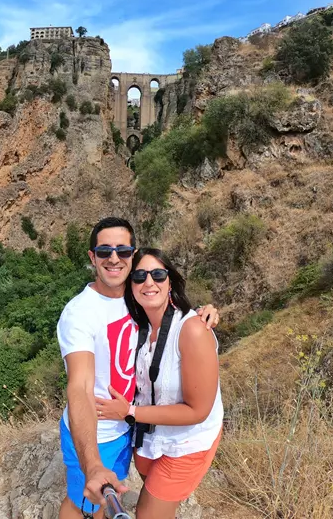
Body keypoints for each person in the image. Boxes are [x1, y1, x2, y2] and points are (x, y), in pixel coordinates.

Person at [57, 218, 219, 519]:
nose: (114, 258)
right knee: (83, 504)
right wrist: (91, 463)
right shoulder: (79, 313)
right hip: (101, 431)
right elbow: (78, 386)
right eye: (104, 251)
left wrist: (204, 314)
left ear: (132, 255)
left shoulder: (137, 301)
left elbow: (173, 320)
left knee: (103, 502)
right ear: (92, 257)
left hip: (130, 428)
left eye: (123, 251)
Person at [94, 248, 223, 519]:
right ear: (131, 286)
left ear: (170, 281)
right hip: (151, 437)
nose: (149, 282)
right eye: (139, 276)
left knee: (147, 513)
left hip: (187, 441)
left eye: (158, 274)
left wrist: (128, 412)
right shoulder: (136, 325)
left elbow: (197, 411)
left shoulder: (192, 330)